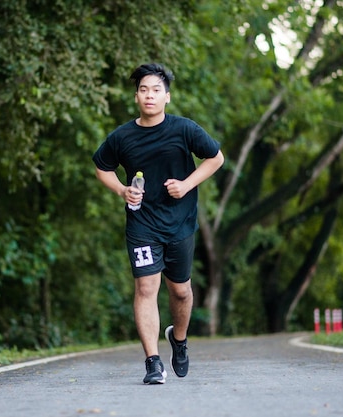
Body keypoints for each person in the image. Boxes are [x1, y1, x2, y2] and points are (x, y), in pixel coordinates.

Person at [92, 63, 224, 384]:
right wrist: (122, 190)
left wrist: (187, 184)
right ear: (136, 96)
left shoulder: (184, 130)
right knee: (146, 287)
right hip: (142, 224)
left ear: (167, 97)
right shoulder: (122, 136)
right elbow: (101, 167)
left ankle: (178, 340)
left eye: (155, 90)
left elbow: (216, 158)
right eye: (143, 90)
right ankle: (152, 362)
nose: (149, 95)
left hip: (180, 223)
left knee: (180, 291)